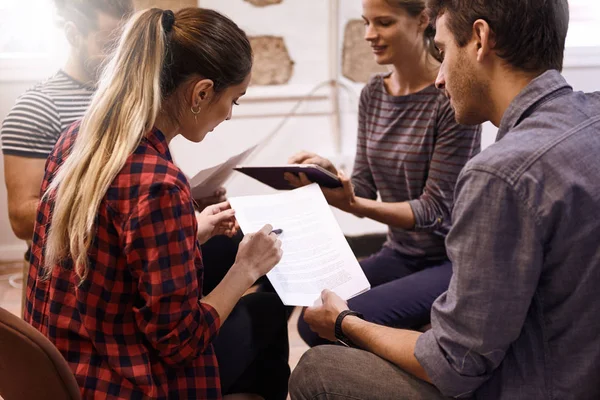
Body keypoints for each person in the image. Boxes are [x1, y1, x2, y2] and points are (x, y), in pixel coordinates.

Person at [289, 0, 600, 399]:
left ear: (480, 40)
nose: (440, 77)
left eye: (444, 50)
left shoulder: (499, 174)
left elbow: (455, 363)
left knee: (319, 368)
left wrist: (345, 322)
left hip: (540, 383)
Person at [23, 7, 290, 400]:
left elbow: (105, 250)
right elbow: (180, 340)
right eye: (234, 100)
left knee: (229, 262)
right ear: (201, 92)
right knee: (265, 313)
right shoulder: (158, 184)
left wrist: (188, 230)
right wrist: (245, 270)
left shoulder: (79, 138)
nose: (230, 115)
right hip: (116, 383)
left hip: (64, 363)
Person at [0, 0, 242, 315]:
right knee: (255, 304)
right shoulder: (38, 109)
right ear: (74, 35)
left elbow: (132, 191)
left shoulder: (142, 113)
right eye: (107, 45)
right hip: (83, 271)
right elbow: (23, 219)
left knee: (231, 246)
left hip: (117, 251)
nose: (123, 57)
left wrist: (181, 211)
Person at [288, 0, 481, 347]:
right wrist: (328, 173)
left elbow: (433, 211)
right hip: (401, 252)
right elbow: (363, 184)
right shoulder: (373, 94)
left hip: (452, 261)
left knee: (338, 325)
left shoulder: (450, 97)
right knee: (310, 321)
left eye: (384, 23)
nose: (369, 35)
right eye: (366, 22)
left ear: (423, 19)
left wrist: (354, 206)